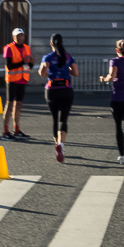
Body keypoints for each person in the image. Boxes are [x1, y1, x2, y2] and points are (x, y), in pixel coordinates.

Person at [38, 33, 78, 163]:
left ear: (51, 44)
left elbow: (43, 73)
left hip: (52, 90)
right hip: (66, 89)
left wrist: (45, 71)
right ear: (62, 43)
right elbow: (76, 72)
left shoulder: (48, 57)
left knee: (55, 118)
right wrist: (67, 71)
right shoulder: (67, 56)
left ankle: (57, 145)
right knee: (63, 119)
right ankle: (62, 144)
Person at [1, 28, 32, 139]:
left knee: (18, 106)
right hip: (12, 80)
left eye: (22, 35)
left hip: (22, 79)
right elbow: (9, 66)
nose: (20, 37)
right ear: (13, 37)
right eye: (18, 36)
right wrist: (23, 62)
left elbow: (27, 66)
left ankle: (17, 130)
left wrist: (30, 64)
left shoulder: (27, 48)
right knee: (9, 105)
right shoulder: (9, 48)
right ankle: (5, 132)